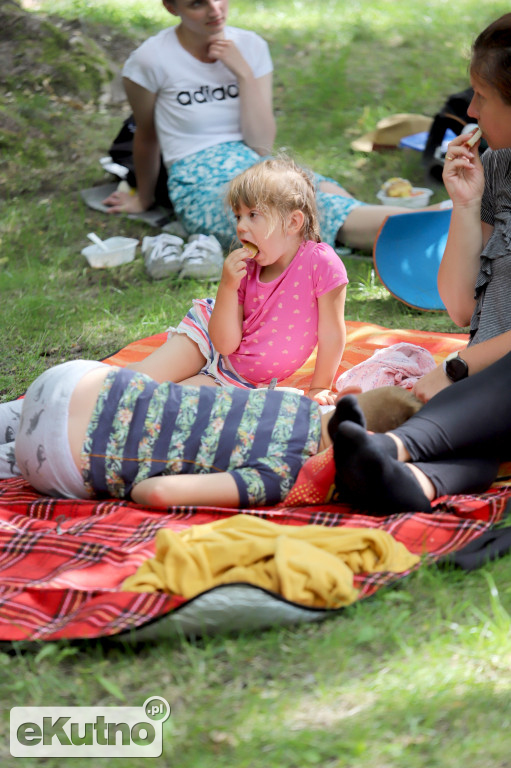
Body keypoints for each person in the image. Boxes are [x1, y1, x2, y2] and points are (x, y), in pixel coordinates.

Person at [101, 0, 440, 252]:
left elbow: (261, 143)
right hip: (198, 178)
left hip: (254, 162)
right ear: (171, 7)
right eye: (197, 4)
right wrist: (143, 198)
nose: (215, 10)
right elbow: (146, 135)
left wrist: (244, 74)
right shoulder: (150, 59)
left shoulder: (250, 46)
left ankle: (427, 234)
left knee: (324, 191)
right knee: (305, 212)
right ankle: (435, 223)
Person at [129, 156, 349, 406]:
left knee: (165, 404)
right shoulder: (246, 268)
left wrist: (320, 386)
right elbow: (224, 344)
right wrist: (227, 285)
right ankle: (94, 382)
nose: (241, 226)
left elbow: (331, 332)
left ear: (292, 222)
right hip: (207, 339)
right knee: (137, 381)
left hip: (238, 380)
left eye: (253, 214)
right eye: (238, 216)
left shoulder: (321, 263)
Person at [13, 359, 344, 508]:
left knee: (25, 415)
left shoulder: (291, 398)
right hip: (56, 457)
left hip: (71, 381)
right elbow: (156, 492)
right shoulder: (283, 474)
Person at [437, 12, 511, 345]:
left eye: (482, 95)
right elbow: (461, 309)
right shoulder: (497, 165)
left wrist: (460, 367)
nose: (470, 111)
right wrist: (465, 204)